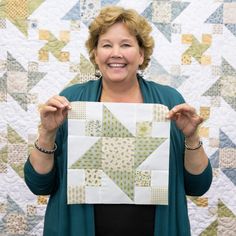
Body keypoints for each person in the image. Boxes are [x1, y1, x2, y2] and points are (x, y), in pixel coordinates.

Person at [24, 6, 212, 236]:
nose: (116, 53)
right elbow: (39, 185)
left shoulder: (168, 102)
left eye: (125, 44)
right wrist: (47, 132)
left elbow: (198, 186)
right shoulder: (72, 101)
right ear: (95, 53)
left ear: (141, 54)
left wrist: (191, 137)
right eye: (106, 45)